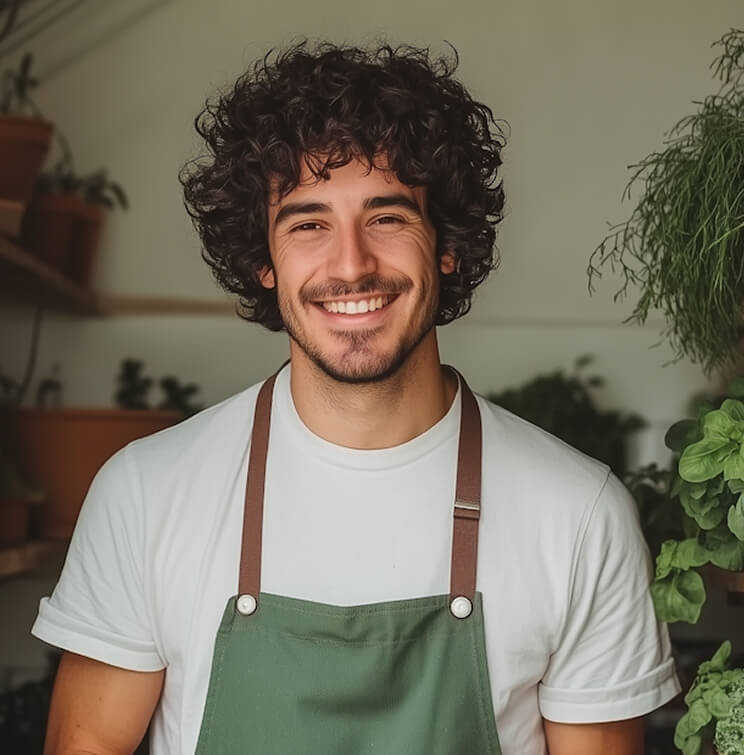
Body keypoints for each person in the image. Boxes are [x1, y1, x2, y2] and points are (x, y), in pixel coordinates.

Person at [33, 42, 680, 754]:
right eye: (309, 222)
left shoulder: (579, 517)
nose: (350, 263)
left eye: (388, 216)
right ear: (263, 262)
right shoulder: (146, 494)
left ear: (448, 245)